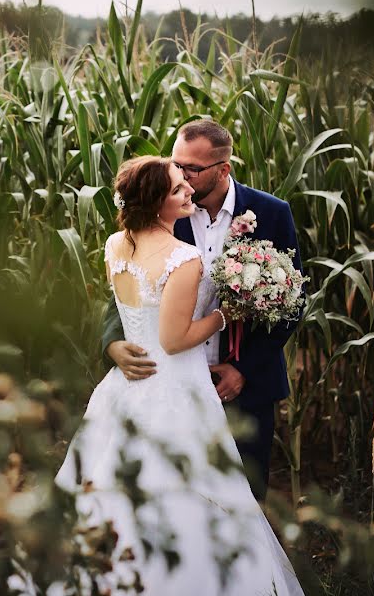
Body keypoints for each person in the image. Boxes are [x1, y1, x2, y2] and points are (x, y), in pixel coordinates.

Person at [22, 155, 304, 595]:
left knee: (111, 487)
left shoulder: (117, 243)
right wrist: (225, 315)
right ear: (156, 202)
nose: (188, 189)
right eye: (177, 187)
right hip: (177, 384)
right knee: (190, 494)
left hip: (128, 390)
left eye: (188, 180)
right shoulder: (183, 257)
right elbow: (174, 340)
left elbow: (131, 309)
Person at [102, 120, 303, 501]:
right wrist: (112, 344)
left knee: (242, 504)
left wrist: (242, 369)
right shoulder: (164, 210)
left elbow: (291, 301)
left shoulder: (271, 213)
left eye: (192, 168)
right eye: (176, 164)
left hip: (245, 387)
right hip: (169, 382)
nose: (181, 175)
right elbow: (128, 289)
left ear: (223, 169)